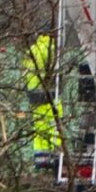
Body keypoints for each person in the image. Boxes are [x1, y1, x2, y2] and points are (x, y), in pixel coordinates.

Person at [22, 32, 62, 166]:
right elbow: (55, 71)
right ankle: (56, 155)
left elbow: (26, 70)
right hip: (47, 93)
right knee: (54, 125)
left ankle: (41, 157)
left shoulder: (32, 49)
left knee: (40, 126)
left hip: (33, 93)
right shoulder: (52, 48)